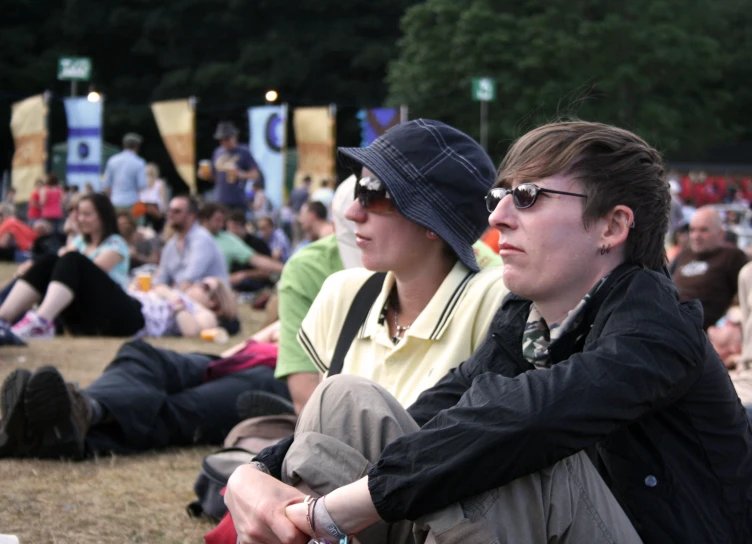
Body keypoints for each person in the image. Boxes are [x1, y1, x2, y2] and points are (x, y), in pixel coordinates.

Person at [226, 121, 752, 544]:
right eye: (499, 195)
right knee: (345, 399)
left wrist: (337, 511)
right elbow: (427, 417)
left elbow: (527, 423)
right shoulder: (524, 319)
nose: (497, 214)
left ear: (612, 227)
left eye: (526, 195)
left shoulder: (657, 323)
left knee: (516, 456)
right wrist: (255, 473)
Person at [0, 321, 289, 460]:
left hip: (281, 378)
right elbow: (262, 335)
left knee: (177, 408)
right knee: (140, 355)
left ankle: (49, 428)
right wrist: (214, 363)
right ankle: (82, 412)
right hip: (229, 361)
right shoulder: (315, 304)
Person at [0, 193, 142, 341]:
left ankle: (41, 322)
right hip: (83, 309)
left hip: (114, 311)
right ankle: (3, 318)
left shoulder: (116, 244)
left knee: (71, 259)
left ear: (103, 216)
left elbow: (88, 272)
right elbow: (61, 264)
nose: (81, 219)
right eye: (79, 214)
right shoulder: (81, 242)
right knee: (50, 260)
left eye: (87, 214)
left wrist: (67, 252)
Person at [672, 206, 748, 329]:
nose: (696, 236)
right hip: (670, 321)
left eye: (703, 230)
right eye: (692, 230)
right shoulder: (684, 255)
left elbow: (745, 295)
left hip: (702, 331)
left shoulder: (732, 256)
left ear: (720, 233)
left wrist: (730, 323)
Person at [198, 203, 284, 292]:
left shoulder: (227, 239)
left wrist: (285, 268)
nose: (221, 225)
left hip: (215, 290)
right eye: (217, 220)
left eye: (222, 221)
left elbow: (257, 259)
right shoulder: (192, 237)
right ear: (205, 220)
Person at [152, 195, 228, 289]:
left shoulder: (202, 239)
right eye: (169, 210)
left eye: (177, 211)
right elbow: (161, 279)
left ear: (191, 216)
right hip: (183, 298)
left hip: (210, 300)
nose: (170, 214)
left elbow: (189, 281)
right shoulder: (171, 245)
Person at [199, 122, 260, 213]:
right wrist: (205, 175)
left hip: (238, 201)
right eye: (221, 140)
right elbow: (214, 178)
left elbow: (255, 174)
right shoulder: (217, 152)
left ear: (234, 137)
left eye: (226, 139)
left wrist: (240, 174)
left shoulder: (243, 151)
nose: (223, 142)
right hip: (220, 200)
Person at [102, 133, 148, 210]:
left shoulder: (112, 160)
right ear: (137, 146)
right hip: (132, 202)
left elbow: (107, 184)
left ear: (123, 145)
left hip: (115, 201)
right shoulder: (139, 162)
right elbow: (142, 185)